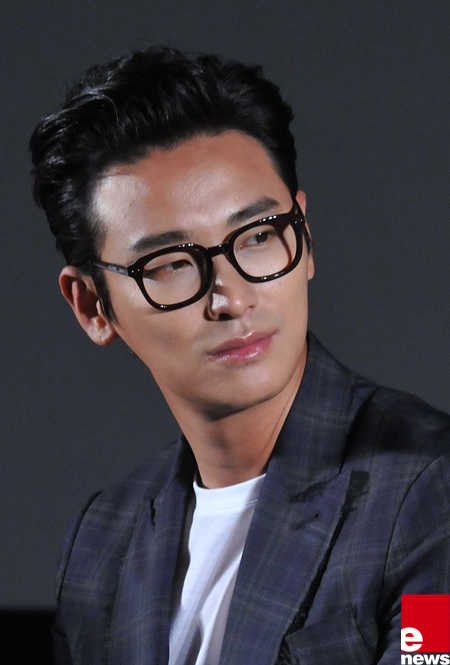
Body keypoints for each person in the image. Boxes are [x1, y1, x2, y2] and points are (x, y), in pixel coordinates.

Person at [30, 46, 450, 665]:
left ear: (303, 237)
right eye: (170, 264)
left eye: (257, 237)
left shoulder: (427, 490)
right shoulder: (102, 541)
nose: (232, 297)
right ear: (94, 306)